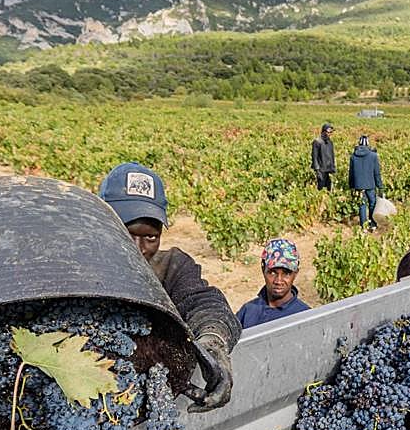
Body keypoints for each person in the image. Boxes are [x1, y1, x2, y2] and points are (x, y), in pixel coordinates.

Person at [99, 163, 241, 411]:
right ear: (103, 221)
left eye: (150, 237)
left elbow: (205, 303)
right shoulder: (79, 269)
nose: (139, 248)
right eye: (126, 232)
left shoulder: (171, 267)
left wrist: (213, 343)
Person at [236, 238, 311, 329]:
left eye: (286, 273)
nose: (278, 281)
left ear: (295, 273)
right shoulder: (249, 311)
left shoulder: (305, 317)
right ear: (263, 270)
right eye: (272, 273)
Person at [349, 134, 383, 230]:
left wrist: (352, 186)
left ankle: (363, 226)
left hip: (358, 185)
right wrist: (380, 186)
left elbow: (351, 173)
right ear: (368, 144)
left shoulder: (353, 156)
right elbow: (376, 172)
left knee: (362, 204)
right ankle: (373, 224)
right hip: (370, 184)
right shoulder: (373, 156)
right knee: (372, 203)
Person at [310, 123, 336, 191]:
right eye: (329, 132)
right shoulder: (317, 142)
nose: (330, 134)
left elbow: (332, 155)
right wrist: (317, 170)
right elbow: (314, 157)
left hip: (328, 169)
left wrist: (333, 167)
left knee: (329, 188)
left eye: (331, 132)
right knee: (320, 188)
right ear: (324, 132)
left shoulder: (330, 142)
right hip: (321, 169)